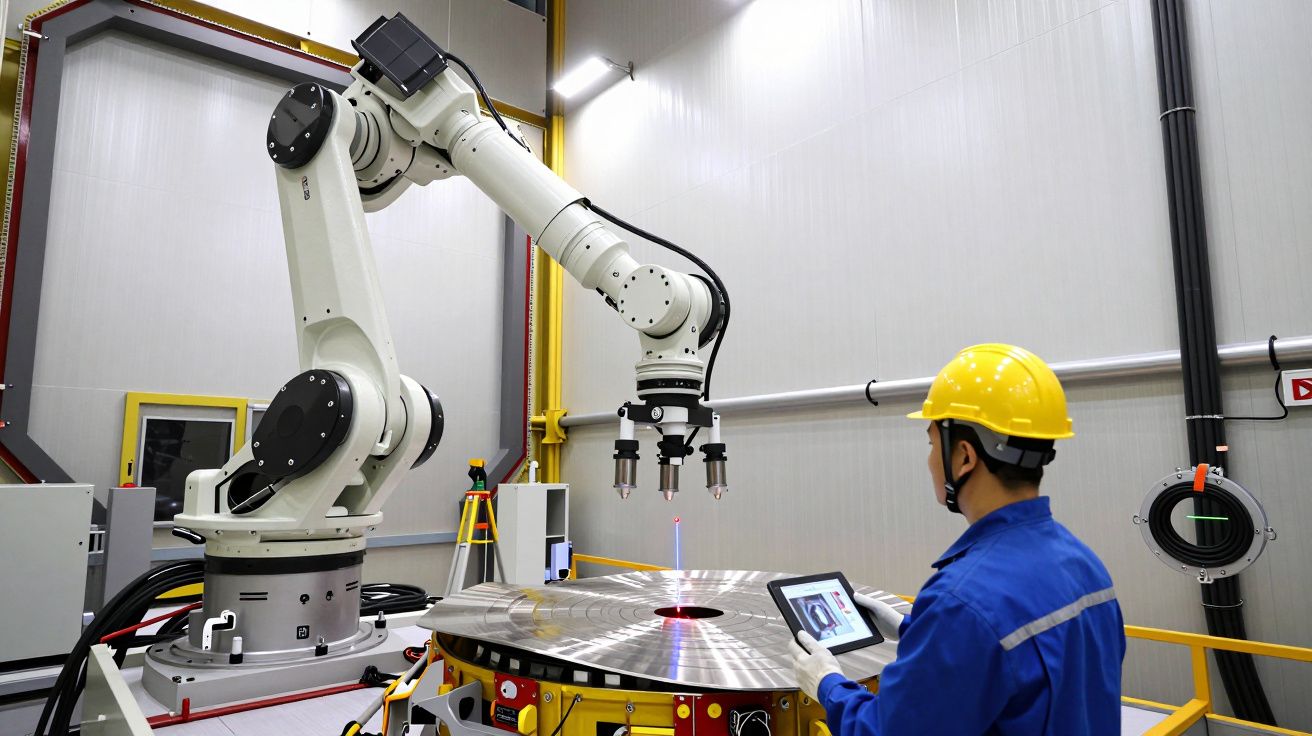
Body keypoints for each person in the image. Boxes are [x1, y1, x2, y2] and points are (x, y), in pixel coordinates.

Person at [790, 344, 1125, 735]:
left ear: (964, 457)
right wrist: (913, 627)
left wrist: (827, 683)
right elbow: (1018, 664)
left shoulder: (961, 602)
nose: (931, 459)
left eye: (932, 444)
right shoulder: (1085, 564)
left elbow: (887, 731)